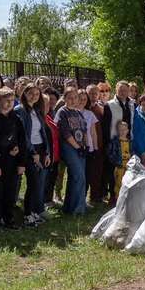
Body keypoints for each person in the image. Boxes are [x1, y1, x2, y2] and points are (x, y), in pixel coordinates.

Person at [0, 87, 26, 230]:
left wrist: (21, 162)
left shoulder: (16, 119)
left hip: (13, 162)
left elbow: (22, 141)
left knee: (10, 192)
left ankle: (9, 219)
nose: (9, 103)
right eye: (6, 100)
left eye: (12, 100)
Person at [17, 84, 51, 225]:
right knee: (33, 182)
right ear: (24, 94)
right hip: (29, 150)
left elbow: (43, 132)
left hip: (40, 148)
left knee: (37, 183)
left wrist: (47, 152)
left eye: (37, 94)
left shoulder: (36, 110)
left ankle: (33, 212)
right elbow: (23, 135)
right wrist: (33, 153)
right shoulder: (20, 110)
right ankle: (27, 215)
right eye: (31, 93)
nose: (34, 96)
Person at [56, 87, 89, 215]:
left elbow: (84, 130)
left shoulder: (78, 112)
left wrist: (85, 146)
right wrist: (77, 147)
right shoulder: (62, 112)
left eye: (75, 97)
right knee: (79, 176)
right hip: (69, 147)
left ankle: (69, 207)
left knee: (75, 177)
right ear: (64, 98)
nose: (73, 100)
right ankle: (78, 208)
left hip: (80, 148)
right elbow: (66, 133)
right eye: (70, 98)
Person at [103, 81, 133, 202]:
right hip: (114, 142)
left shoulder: (132, 104)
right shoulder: (109, 105)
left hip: (127, 141)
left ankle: (125, 194)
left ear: (128, 91)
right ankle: (112, 196)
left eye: (125, 90)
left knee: (126, 169)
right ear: (116, 90)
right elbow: (106, 126)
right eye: (120, 90)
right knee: (113, 170)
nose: (122, 92)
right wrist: (108, 144)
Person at [109, 120, 132, 195]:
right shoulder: (115, 142)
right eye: (120, 129)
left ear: (127, 131)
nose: (122, 131)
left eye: (124, 129)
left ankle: (125, 198)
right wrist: (116, 161)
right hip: (119, 166)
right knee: (119, 183)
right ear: (117, 130)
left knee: (127, 183)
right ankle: (117, 198)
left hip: (128, 167)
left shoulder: (130, 142)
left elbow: (132, 153)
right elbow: (110, 154)